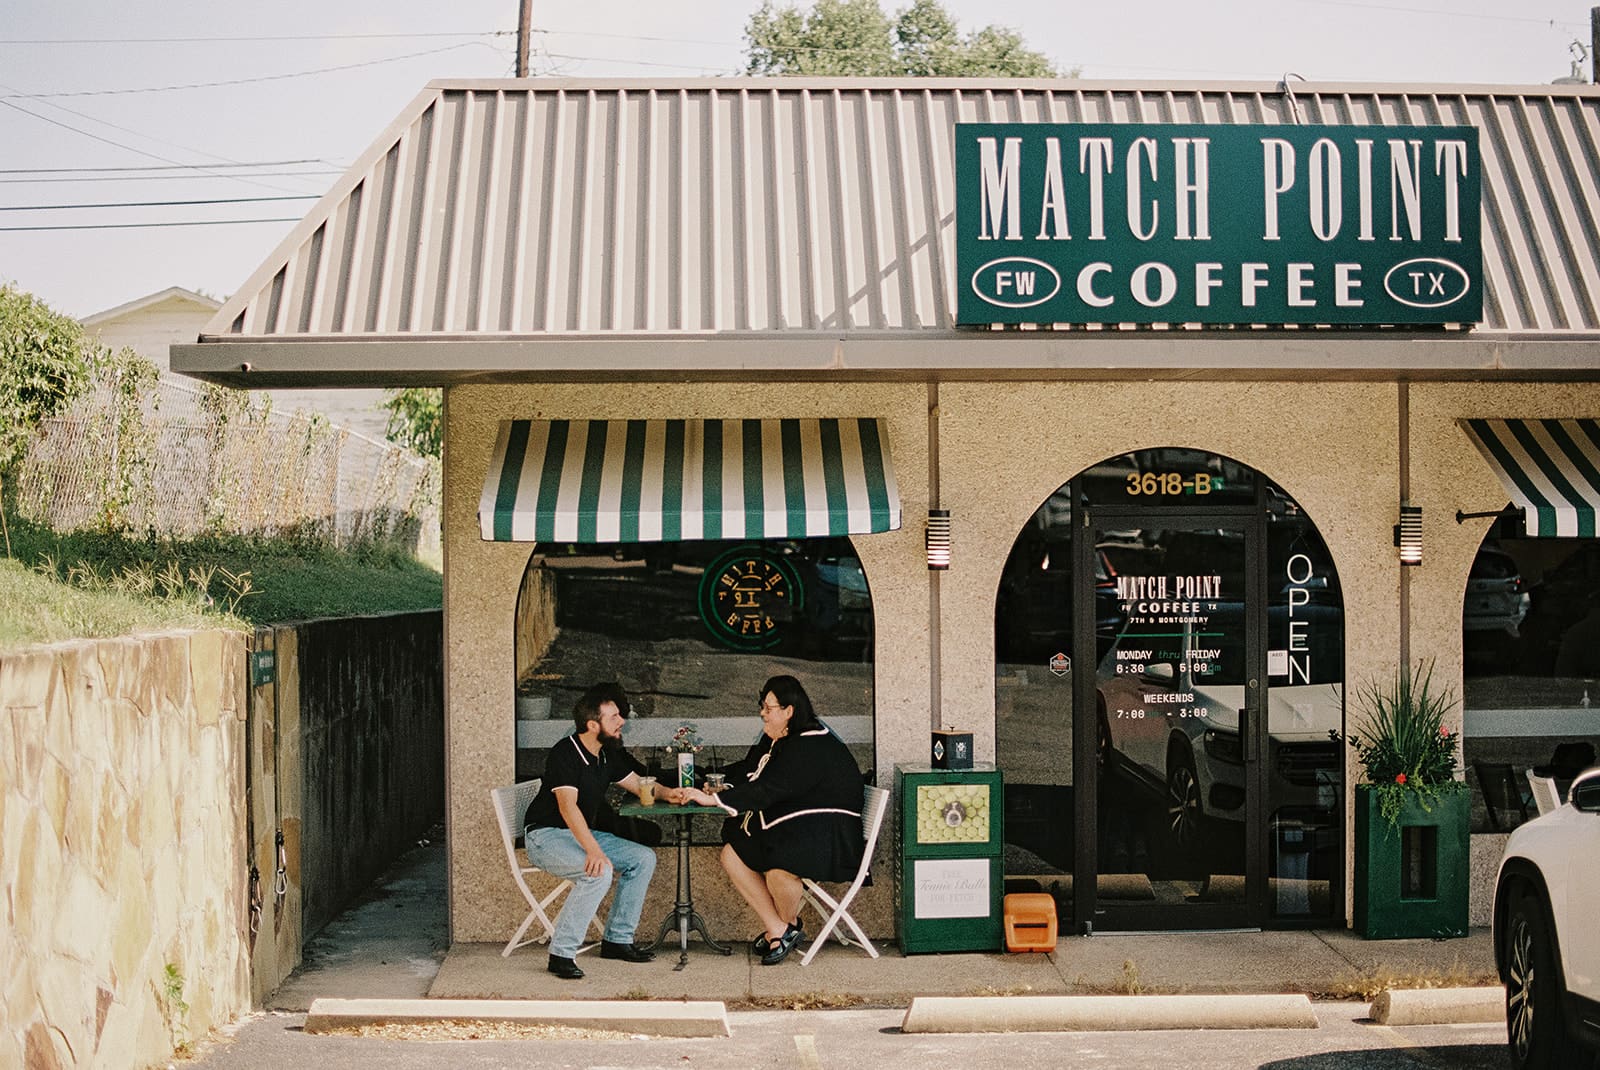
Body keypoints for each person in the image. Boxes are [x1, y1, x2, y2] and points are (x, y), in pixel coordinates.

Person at [681, 675, 865, 966]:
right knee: (733, 851)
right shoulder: (780, 737)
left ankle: (783, 928)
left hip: (831, 836)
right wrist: (718, 785)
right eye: (762, 707)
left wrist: (716, 800)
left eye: (768, 708)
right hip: (805, 828)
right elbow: (749, 769)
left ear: (788, 711)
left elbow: (772, 788)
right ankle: (780, 928)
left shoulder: (810, 743)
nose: (762, 713)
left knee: (780, 868)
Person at [523, 682, 685, 979]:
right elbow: (567, 808)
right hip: (546, 836)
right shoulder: (566, 753)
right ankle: (561, 954)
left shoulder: (606, 753)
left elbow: (639, 784)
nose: (622, 720)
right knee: (597, 871)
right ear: (592, 724)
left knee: (643, 858)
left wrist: (668, 793)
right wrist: (594, 851)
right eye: (613, 718)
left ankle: (617, 940)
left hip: (580, 833)